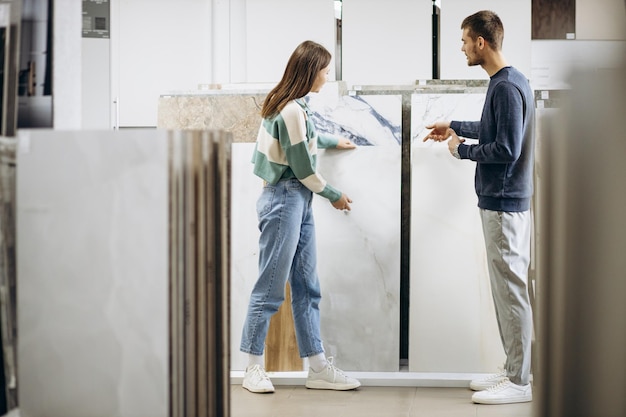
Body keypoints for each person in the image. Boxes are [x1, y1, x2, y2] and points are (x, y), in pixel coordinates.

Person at [423, 10, 535, 405]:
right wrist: (454, 123)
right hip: (507, 202)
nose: (462, 47)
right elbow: (498, 129)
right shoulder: (509, 81)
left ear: (481, 43)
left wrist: (460, 150)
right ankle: (513, 370)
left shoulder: (504, 87)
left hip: (504, 204)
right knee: (509, 291)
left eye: (464, 40)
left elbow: (506, 149)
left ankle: (520, 381)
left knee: (511, 293)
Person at [240, 40, 361, 394]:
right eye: (324, 70)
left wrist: (329, 140)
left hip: (297, 200)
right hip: (284, 200)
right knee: (270, 288)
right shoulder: (290, 109)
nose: (327, 76)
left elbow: (300, 140)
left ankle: (318, 367)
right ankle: (251, 367)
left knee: (308, 287)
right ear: (310, 71)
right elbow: (303, 168)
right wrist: (335, 195)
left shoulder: (292, 105)